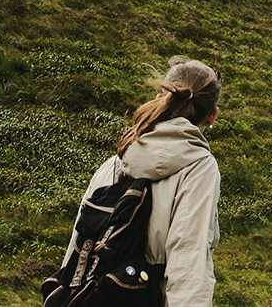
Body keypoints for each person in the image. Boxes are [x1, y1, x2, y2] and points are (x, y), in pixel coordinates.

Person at [62, 56, 222, 307]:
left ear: (161, 100)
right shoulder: (199, 168)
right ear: (212, 116)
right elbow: (188, 263)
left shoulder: (118, 159)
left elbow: (78, 249)